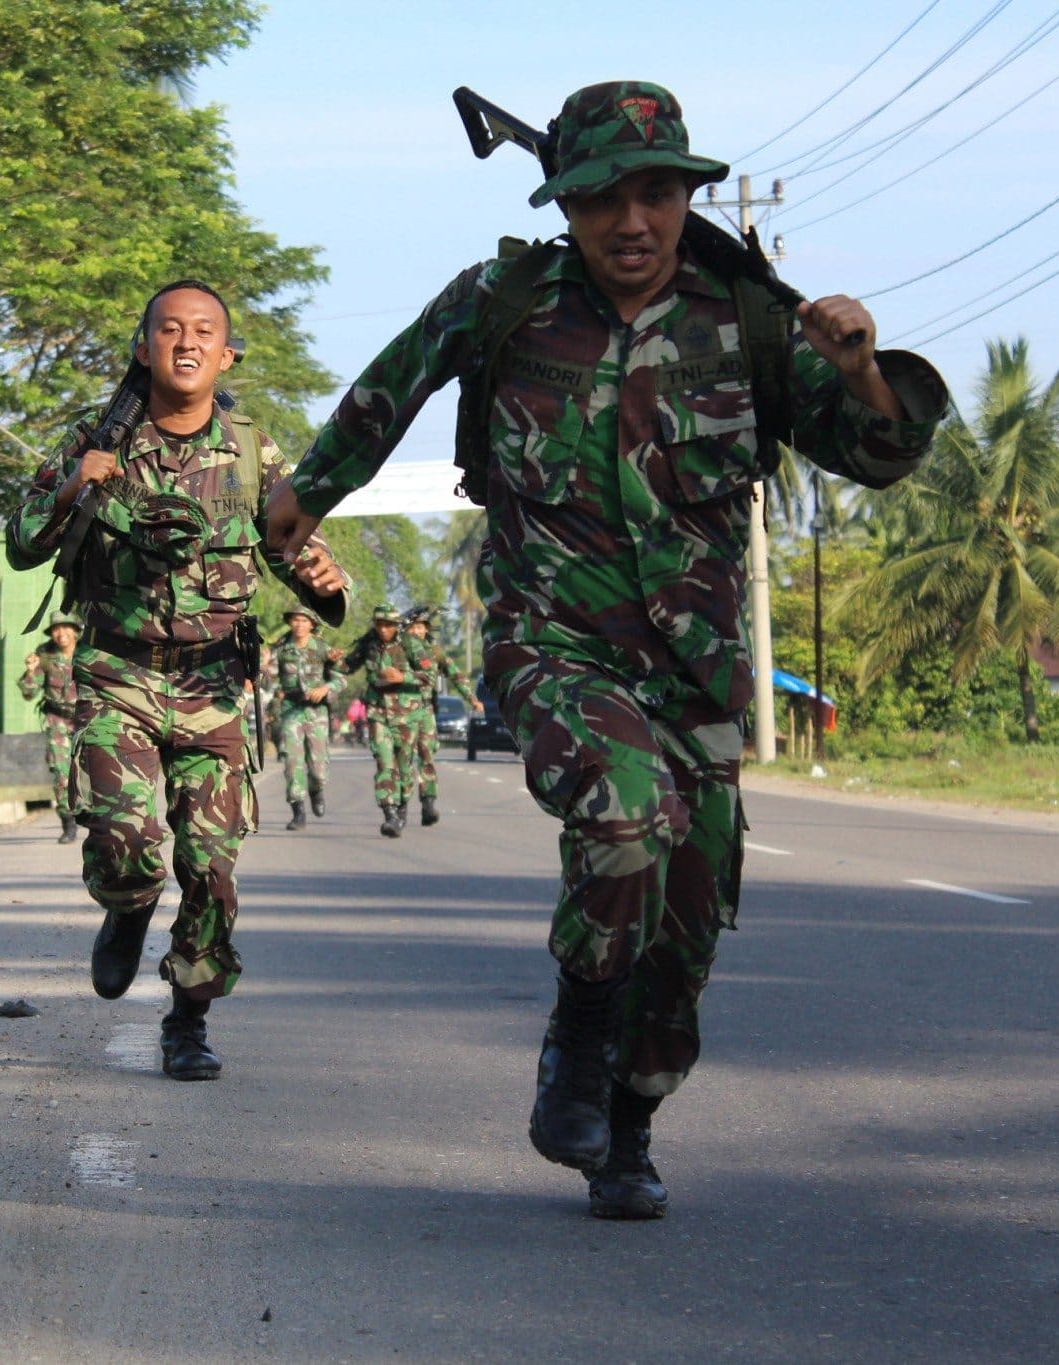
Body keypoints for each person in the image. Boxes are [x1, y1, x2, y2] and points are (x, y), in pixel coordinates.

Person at [266, 81, 946, 1218]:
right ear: (563, 206)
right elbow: (385, 391)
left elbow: (875, 455)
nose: (631, 223)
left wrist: (860, 367)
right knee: (622, 813)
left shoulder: (748, 321)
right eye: (601, 202)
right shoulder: (507, 302)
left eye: (656, 195)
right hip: (553, 642)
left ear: (686, 196)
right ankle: (575, 1038)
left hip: (694, 674)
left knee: (683, 931)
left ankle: (627, 1127)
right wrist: (308, 499)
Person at [6, 279, 346, 1081]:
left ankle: (189, 1018)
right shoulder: (96, 436)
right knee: (127, 842)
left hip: (213, 684)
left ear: (225, 355)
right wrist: (71, 488)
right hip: (117, 671)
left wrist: (325, 583)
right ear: (142, 346)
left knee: (210, 862)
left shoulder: (254, 451)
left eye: (203, 333)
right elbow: (22, 543)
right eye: (168, 329)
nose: (186, 343)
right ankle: (125, 911)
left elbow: (292, 548)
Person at [339, 605, 424, 838]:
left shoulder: (411, 644)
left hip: (406, 714)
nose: (384, 629)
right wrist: (334, 660)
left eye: (389, 624)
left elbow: (431, 675)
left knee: (405, 765)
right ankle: (390, 813)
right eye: (380, 624)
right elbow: (348, 666)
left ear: (396, 626)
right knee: (384, 763)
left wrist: (404, 676)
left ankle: (403, 804)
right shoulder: (369, 644)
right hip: (378, 712)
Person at [403, 607, 481, 827]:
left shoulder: (434, 651)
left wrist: (471, 697)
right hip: (400, 713)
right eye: (413, 627)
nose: (417, 631)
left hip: (425, 711)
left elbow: (455, 673)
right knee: (403, 760)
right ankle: (399, 808)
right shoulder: (397, 650)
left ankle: (428, 804)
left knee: (427, 757)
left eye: (421, 627)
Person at [273, 604, 346, 830]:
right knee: (292, 761)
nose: (299, 624)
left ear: (312, 625)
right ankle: (298, 811)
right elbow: (267, 672)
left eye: (304, 620)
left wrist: (325, 689)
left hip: (316, 712)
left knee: (317, 766)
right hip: (291, 710)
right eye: (295, 620)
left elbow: (341, 680)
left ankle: (316, 789)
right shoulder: (281, 649)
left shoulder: (323, 649)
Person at [19, 611, 83, 843]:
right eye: (56, 629)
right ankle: (68, 821)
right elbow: (28, 693)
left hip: (86, 720)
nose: (61, 633)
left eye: (66, 627)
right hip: (57, 721)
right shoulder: (45, 656)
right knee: (61, 774)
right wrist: (30, 671)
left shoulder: (88, 653)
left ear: (76, 630)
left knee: (98, 768)